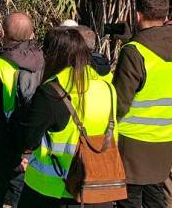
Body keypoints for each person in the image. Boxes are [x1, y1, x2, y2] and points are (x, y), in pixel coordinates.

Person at [15, 28, 120, 207]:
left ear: (52, 55)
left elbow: (28, 139)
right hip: (100, 186)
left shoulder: (51, 91)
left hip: (53, 188)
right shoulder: (107, 87)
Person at [113, 0, 172, 208]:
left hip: (132, 143)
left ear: (138, 15)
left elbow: (120, 101)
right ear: (165, 15)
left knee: (129, 199)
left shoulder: (134, 51)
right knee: (155, 196)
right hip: (166, 140)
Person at [0, 12, 44, 208]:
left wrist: (11, 158)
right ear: (32, 35)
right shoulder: (45, 64)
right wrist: (24, 156)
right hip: (29, 151)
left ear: (1, 33)